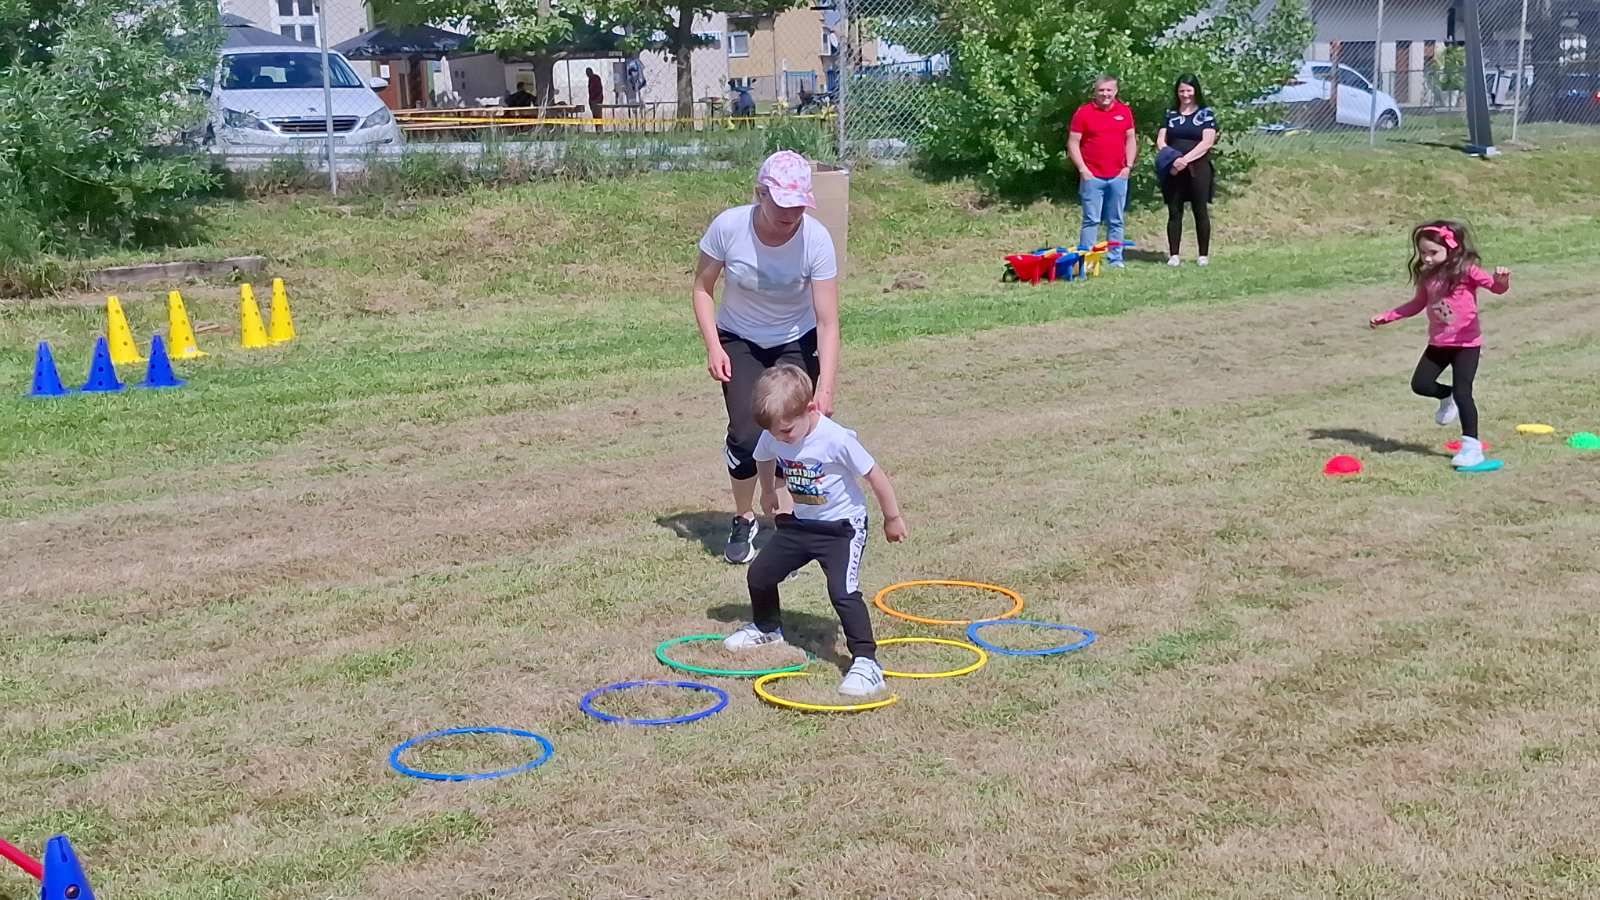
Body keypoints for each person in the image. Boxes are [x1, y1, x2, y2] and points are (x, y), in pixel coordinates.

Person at [692, 151, 842, 564]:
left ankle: (789, 529)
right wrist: (713, 345)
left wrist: (825, 388)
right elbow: (702, 289)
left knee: (790, 432)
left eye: (798, 207)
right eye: (782, 207)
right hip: (739, 338)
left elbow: (829, 323)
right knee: (747, 434)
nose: (790, 216)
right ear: (761, 194)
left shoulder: (816, 239)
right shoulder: (729, 227)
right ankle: (744, 517)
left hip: (795, 341)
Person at [724, 364, 908, 697]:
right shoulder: (775, 432)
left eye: (787, 432)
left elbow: (875, 476)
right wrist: (767, 491)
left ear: (809, 410)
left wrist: (892, 517)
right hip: (800, 525)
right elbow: (764, 457)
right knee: (760, 575)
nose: (781, 438)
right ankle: (767, 627)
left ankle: (867, 663)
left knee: (843, 591)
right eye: (776, 433)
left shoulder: (836, 439)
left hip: (842, 529)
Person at [1369, 221, 1512, 468]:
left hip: (1466, 344)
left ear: (1452, 249)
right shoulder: (1427, 276)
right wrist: (1389, 316)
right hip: (1439, 343)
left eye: (1433, 252)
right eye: (1423, 252)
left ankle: (1471, 448)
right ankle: (1446, 397)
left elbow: (1496, 288)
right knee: (1420, 384)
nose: (1427, 258)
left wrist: (1502, 280)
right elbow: (1417, 304)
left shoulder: (1468, 270)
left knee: (1464, 391)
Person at [1068, 75, 1137, 268]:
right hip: (1092, 176)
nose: (1105, 94)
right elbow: (1073, 142)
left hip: (1118, 175)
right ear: (1095, 92)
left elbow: (1131, 139)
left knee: (1116, 220)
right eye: (1101, 90)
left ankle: (1115, 259)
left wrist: (1128, 166)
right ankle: (1087, 260)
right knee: (1091, 220)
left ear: (1116, 91)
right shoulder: (1084, 113)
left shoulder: (1124, 112)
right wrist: (1083, 169)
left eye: (1109, 90)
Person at [1156, 74, 1219, 267]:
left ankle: (1203, 255)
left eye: (1189, 90)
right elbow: (1160, 140)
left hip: (1198, 168)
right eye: (1182, 90)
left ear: (1195, 91)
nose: (1185, 94)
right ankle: (1174, 254)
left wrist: (1186, 159)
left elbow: (1207, 141)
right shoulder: (1171, 114)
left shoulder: (1206, 114)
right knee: (1175, 211)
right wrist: (1173, 159)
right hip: (1174, 168)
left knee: (1200, 210)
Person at [586, 67, 604, 132]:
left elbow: (599, 90)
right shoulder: (590, 80)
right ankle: (597, 130)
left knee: (598, 115)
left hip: (597, 100)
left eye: (588, 73)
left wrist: (598, 100)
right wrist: (590, 101)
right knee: (595, 116)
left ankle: (600, 129)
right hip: (593, 100)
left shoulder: (596, 78)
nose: (587, 75)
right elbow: (590, 91)